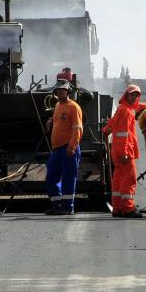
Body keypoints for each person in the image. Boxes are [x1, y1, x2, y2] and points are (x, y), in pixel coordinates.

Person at [102, 84, 146, 218]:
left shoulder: (121, 109)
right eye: (132, 94)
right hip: (124, 152)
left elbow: (108, 128)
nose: (134, 97)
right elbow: (123, 134)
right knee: (129, 179)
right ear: (126, 95)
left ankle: (117, 208)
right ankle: (128, 208)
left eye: (136, 95)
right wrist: (125, 153)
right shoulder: (127, 112)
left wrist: (105, 130)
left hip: (117, 151)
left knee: (118, 179)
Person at [45, 80, 83, 215]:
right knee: (51, 176)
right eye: (58, 91)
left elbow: (77, 128)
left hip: (68, 148)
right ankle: (57, 204)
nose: (60, 93)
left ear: (68, 92)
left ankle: (68, 207)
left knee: (68, 177)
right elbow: (60, 120)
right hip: (57, 149)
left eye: (63, 91)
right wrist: (51, 120)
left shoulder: (74, 107)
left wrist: (72, 146)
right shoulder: (58, 105)